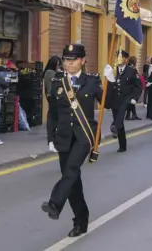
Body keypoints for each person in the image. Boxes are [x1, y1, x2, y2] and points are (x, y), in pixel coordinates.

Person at [41, 44, 102, 237]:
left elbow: (108, 103)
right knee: (73, 182)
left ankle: (55, 204)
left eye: (73, 59)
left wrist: (112, 82)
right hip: (64, 137)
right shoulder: (58, 82)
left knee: (71, 171)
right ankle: (81, 220)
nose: (69, 63)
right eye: (66, 60)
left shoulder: (92, 81)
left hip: (84, 136)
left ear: (83, 61)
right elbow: (53, 113)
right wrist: (50, 137)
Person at [103, 49, 142, 152]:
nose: (119, 60)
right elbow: (110, 85)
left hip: (126, 98)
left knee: (120, 115)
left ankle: (114, 125)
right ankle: (122, 145)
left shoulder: (131, 71)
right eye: (117, 57)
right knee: (119, 121)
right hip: (115, 99)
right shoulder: (113, 71)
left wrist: (135, 98)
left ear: (126, 59)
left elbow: (138, 86)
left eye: (121, 58)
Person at [43, 55, 63, 147]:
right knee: (53, 115)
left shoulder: (50, 72)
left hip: (52, 96)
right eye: (58, 64)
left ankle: (54, 132)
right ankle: (51, 133)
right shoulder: (50, 72)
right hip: (52, 96)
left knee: (55, 115)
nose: (59, 67)